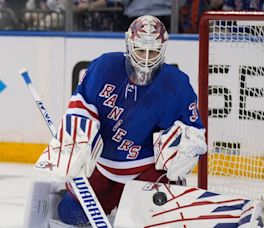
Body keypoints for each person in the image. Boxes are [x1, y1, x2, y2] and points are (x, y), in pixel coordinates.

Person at [52, 15, 207, 225]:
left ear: (163, 49)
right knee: (70, 214)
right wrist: (75, 144)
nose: (146, 58)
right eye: (141, 50)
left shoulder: (176, 84)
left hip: (146, 171)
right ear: (129, 44)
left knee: (150, 221)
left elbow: (194, 133)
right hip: (103, 167)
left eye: (152, 51)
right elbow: (80, 108)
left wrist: (184, 154)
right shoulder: (104, 67)